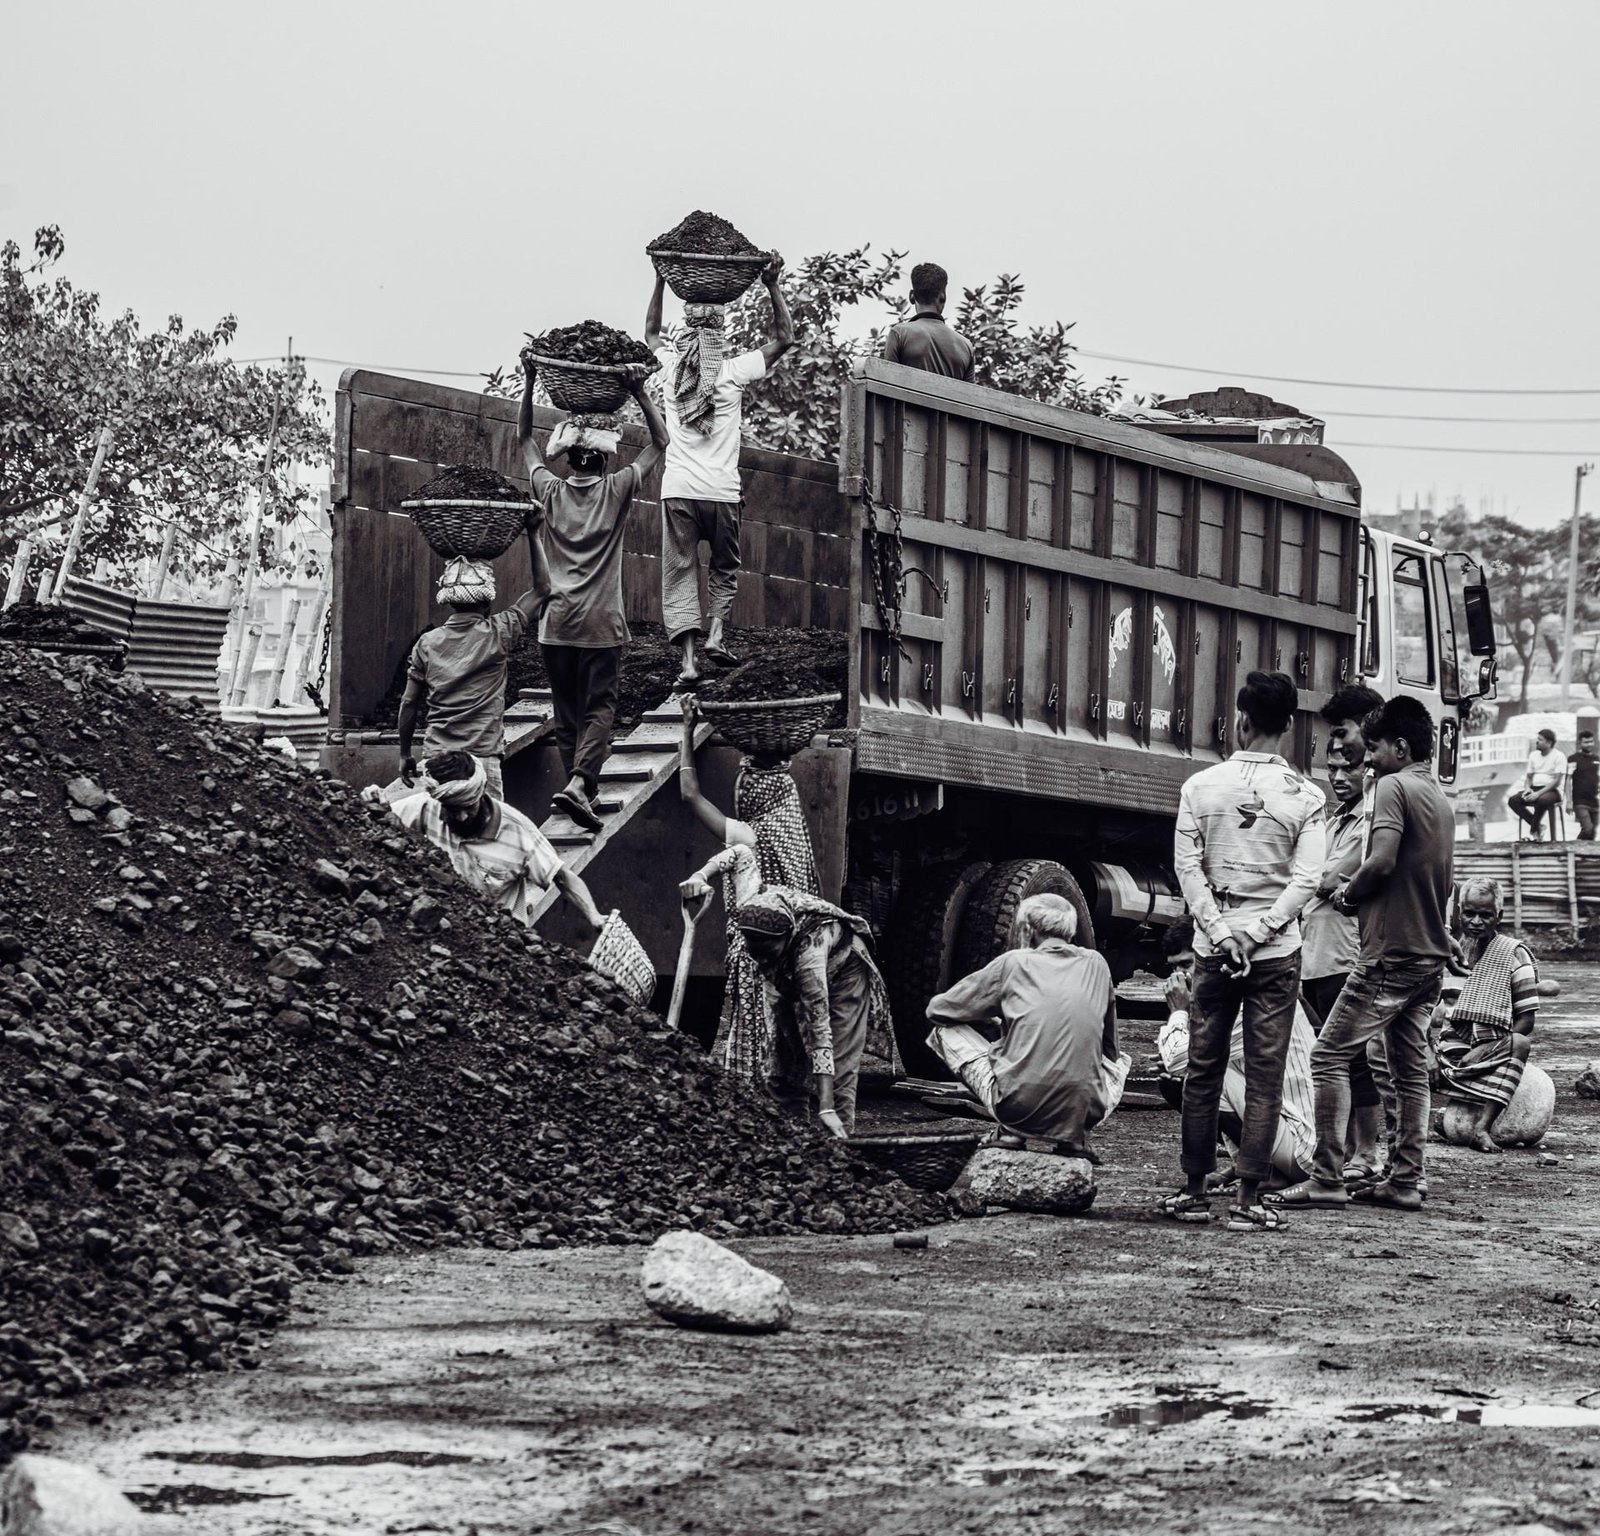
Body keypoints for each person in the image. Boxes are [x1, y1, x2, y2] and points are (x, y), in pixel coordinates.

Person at [1272, 695, 1455, 1214]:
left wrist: (1349, 895)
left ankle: (1327, 1177)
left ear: (1399, 746)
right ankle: (1405, 1180)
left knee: (1328, 1057)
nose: (1367, 760)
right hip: (1427, 957)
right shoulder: (1438, 797)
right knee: (1408, 1071)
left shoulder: (1393, 788)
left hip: (1389, 954)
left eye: (1373, 748)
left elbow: (1380, 861)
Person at [1167, 671, 1327, 1232]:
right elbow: (1307, 880)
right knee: (1265, 1076)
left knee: (1203, 1070)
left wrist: (1222, 933)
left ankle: (1194, 1193)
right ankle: (1247, 1201)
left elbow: (1188, 869)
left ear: (1240, 720)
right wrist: (1258, 935)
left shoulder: (1200, 787)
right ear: (1289, 726)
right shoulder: (1307, 797)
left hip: (1214, 950)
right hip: (1276, 954)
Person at [517, 364, 668, 833]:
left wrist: (530, 380)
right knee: (600, 707)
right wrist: (640, 391)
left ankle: (579, 788)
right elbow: (661, 442)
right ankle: (582, 783)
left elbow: (524, 440)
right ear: (603, 461)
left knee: (567, 713)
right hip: (601, 624)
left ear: (567, 461)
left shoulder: (549, 490)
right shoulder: (617, 488)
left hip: (555, 625)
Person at [645, 256, 795, 687]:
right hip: (723, 492)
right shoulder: (733, 373)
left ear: (687, 335)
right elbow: (785, 338)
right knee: (724, 567)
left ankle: (690, 663)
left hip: (678, 490)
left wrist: (659, 280)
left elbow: (651, 333)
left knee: (679, 572)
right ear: (719, 338)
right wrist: (772, 284)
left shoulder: (671, 371)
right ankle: (715, 634)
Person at [675, 696, 821, 1083]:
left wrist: (687, 731)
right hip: (790, 953)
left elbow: (690, 794)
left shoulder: (747, 836)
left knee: (753, 1031)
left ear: (753, 797)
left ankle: (753, 1088)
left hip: (756, 953)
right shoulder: (792, 829)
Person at [924, 894, 1130, 1161]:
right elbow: (1110, 1047)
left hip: (1017, 1109)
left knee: (943, 1030)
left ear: (1028, 930)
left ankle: (1010, 1132)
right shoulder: (1097, 964)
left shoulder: (1013, 963)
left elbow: (938, 1011)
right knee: (1121, 1058)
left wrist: (993, 1014)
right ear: (1070, 931)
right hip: (1088, 1111)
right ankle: (1075, 1139)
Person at [1157, 918, 1318, 1188]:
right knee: (1185, 1075)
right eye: (1173, 968)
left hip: (1303, 1147)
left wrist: (1179, 1013)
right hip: (1291, 1138)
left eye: (1186, 964)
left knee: (1200, 1078)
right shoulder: (1233, 989)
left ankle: (1263, 1172)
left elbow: (1177, 1059)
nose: (1179, 977)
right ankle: (1250, 1167)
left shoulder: (1243, 999)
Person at [396, 516, 549, 801]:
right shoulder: (499, 631)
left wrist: (404, 754)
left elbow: (409, 702)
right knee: (487, 826)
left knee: (441, 826)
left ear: (449, 601)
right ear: (487, 602)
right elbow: (542, 589)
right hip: (483, 757)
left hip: (437, 759)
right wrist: (533, 532)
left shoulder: (427, 643)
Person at [732, 887, 889, 1138]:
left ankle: (838, 1142)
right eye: (756, 954)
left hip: (845, 972)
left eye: (768, 954)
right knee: (780, 1055)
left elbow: (819, 1028)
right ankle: (790, 1135)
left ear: (787, 937)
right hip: (787, 971)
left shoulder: (809, 950)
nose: (762, 962)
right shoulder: (752, 927)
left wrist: (825, 1107)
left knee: (838, 1061)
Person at [389, 750, 604, 933]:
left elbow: (562, 877)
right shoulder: (430, 806)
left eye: (469, 808)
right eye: (452, 810)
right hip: (443, 932)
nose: (461, 817)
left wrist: (593, 916)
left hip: (498, 938)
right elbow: (379, 816)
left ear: (481, 793)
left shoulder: (517, 831)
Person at [1299, 739, 1384, 1180]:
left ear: (1366, 772)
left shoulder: (1368, 823)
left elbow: (1323, 877)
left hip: (1343, 955)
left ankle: (1368, 1153)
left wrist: (1313, 881)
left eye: (1347, 769)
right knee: (1330, 1058)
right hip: (1314, 955)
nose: (1337, 778)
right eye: (1331, 769)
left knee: (1353, 1059)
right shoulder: (1334, 821)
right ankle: (1350, 1148)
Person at [1433, 878, 1538, 1152]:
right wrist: (1427, 1053)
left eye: (1486, 915)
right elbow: (1423, 1011)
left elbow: (1526, 1021)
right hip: (1447, 1058)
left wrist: (1482, 1051)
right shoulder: (1447, 954)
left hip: (1490, 1057)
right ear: (1459, 913)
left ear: (1498, 916)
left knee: (1521, 1044)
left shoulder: (1514, 955)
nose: (1476, 922)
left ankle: (1481, 1128)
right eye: (1469, 914)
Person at [882, 262, 975, 382]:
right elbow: (969, 392)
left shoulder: (899, 334)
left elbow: (888, 385)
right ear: (943, 297)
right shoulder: (966, 346)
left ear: (912, 296)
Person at [1508, 728, 1567, 841]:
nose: (1537, 741)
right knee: (1513, 800)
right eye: (1537, 739)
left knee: (1541, 800)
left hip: (1553, 791)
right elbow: (1529, 777)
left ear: (1549, 743)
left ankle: (1534, 829)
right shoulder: (1533, 755)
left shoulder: (1559, 756)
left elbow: (1556, 781)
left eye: (1540, 739)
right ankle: (1538, 827)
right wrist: (1527, 789)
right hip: (1534, 789)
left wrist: (1538, 794)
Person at [1569, 729, 1598, 841]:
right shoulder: (1573, 759)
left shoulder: (1597, 759)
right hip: (1580, 800)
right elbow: (1567, 781)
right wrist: (1569, 801)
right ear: (1580, 743)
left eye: (1591, 741)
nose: (1589, 744)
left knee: (1592, 831)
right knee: (1588, 828)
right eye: (1586, 742)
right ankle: (1575, 846)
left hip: (1595, 801)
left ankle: (1582, 850)